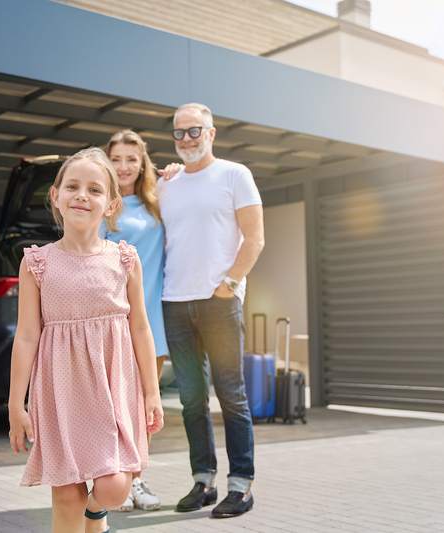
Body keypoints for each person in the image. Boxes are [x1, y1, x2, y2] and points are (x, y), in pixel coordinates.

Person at [8, 147, 164, 533]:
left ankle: (97, 516)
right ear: (56, 197)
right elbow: (27, 336)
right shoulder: (37, 263)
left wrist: (151, 392)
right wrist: (16, 403)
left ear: (111, 205)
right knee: (66, 496)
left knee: (114, 487)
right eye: (72, 186)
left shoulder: (124, 259)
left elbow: (141, 329)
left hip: (114, 388)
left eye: (94, 190)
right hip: (60, 390)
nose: (82, 195)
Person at [158, 102, 265, 518]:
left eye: (194, 131)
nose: (186, 139)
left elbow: (254, 239)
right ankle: (203, 481)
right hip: (175, 302)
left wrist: (230, 285)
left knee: (231, 395)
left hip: (219, 303)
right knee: (190, 400)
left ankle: (241, 486)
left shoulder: (235, 175)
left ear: (212, 133)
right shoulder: (167, 184)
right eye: (179, 133)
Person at [102, 129, 179, 512]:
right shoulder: (102, 204)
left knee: (146, 406)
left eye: (131, 159)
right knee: (115, 404)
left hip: (153, 319)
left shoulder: (155, 201)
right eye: (116, 159)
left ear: (142, 162)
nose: (124, 167)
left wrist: (176, 173)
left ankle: (137, 479)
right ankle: (113, 480)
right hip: (115, 320)